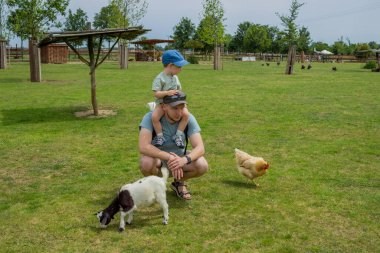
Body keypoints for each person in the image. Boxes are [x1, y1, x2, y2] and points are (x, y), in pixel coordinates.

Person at [139, 91, 208, 200]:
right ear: (164, 107)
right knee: (146, 162)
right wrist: (170, 157)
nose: (179, 112)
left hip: (180, 159)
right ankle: (156, 185)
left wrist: (183, 160)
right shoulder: (150, 118)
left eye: (182, 108)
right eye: (175, 108)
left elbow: (200, 148)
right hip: (159, 161)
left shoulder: (188, 118)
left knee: (202, 165)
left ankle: (179, 183)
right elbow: (144, 147)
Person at [151, 50, 190, 148]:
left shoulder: (175, 77)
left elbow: (179, 89)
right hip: (162, 104)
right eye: (179, 67)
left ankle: (178, 136)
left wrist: (182, 101)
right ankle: (160, 137)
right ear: (170, 65)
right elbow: (156, 94)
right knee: (155, 117)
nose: (180, 69)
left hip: (176, 103)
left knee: (186, 114)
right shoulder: (160, 78)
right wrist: (167, 93)